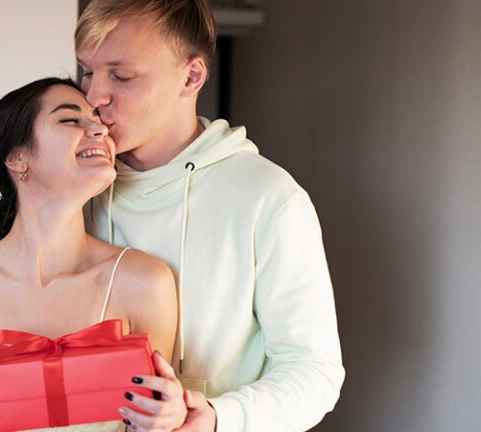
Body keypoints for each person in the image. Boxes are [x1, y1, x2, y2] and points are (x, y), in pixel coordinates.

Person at [76, 1, 346, 431]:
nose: (93, 97)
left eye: (121, 76)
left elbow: (314, 370)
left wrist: (218, 417)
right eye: (87, 72)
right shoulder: (74, 190)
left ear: (192, 76)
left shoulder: (270, 198)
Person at [0, 77, 178, 432]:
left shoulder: (144, 282)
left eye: (97, 118)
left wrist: (168, 420)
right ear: (18, 157)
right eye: (71, 120)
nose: (100, 128)